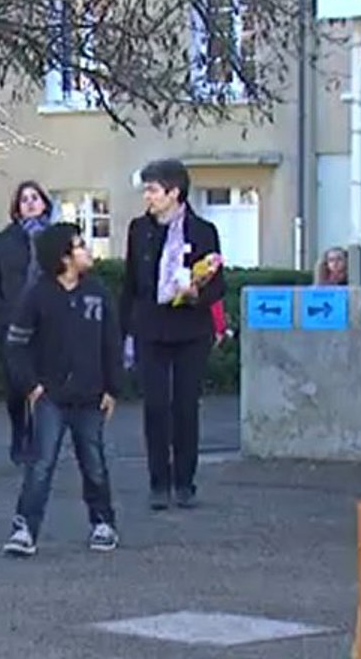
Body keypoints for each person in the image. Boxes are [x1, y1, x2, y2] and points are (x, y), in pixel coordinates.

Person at [1, 222, 121, 556]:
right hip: (51, 395)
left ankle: (103, 522)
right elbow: (16, 344)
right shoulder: (37, 294)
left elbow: (111, 342)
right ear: (64, 257)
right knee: (41, 463)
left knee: (94, 461)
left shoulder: (98, 292)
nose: (88, 251)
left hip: (91, 394)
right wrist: (31, 385)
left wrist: (113, 387)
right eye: (80, 245)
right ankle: (25, 527)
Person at [120, 159, 224, 511]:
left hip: (190, 329)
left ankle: (184, 482)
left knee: (184, 406)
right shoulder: (139, 229)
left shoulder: (203, 231)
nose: (147, 196)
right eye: (146, 189)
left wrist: (198, 294)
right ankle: (158, 483)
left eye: (153, 189)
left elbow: (218, 284)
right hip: (151, 327)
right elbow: (131, 284)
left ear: (174, 192)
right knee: (155, 406)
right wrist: (123, 332)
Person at [0, 180, 54, 465]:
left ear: (45, 203)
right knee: (16, 385)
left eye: (35, 197)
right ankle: (19, 434)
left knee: (44, 383)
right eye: (24, 200)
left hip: (48, 322)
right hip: (13, 321)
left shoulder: (57, 238)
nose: (31, 203)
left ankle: (39, 439)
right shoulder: (6, 239)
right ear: (17, 208)